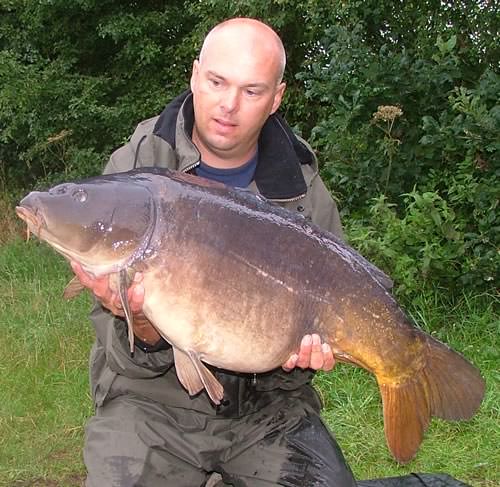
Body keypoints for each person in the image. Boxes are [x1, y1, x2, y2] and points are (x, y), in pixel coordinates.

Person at [74, 17, 357, 487]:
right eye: (217, 81)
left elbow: (299, 367)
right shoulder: (139, 169)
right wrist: (140, 324)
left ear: (276, 98)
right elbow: (122, 358)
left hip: (269, 410)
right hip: (152, 403)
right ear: (194, 75)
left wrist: (300, 357)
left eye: (251, 91)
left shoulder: (302, 192)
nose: (228, 105)